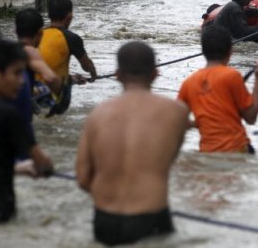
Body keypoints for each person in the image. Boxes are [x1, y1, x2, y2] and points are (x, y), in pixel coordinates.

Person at [75, 41, 188, 246]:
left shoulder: (97, 115)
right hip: (151, 217)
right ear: (155, 73)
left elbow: (83, 179)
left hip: (105, 220)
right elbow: (167, 161)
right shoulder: (176, 112)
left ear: (117, 74)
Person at [0, 39, 53, 223]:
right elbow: (43, 164)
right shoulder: (9, 116)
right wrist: (45, 167)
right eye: (17, 73)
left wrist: (16, 169)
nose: (22, 82)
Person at [178, 26, 258, 153]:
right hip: (236, 149)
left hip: (206, 152)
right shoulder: (231, 76)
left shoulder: (189, 83)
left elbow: (178, 121)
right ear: (230, 51)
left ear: (203, 50)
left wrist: (201, 122)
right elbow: (251, 118)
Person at [12, 9, 61, 170]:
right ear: (40, 34)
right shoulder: (31, 52)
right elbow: (51, 78)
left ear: (15, 30)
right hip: (21, 127)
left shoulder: (5, 51)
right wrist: (60, 88)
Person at [38, 0, 97, 115]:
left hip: (33, 92)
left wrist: (72, 78)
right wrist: (93, 75)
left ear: (49, 15)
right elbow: (86, 66)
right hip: (53, 98)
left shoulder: (37, 35)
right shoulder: (71, 38)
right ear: (69, 17)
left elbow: (45, 67)